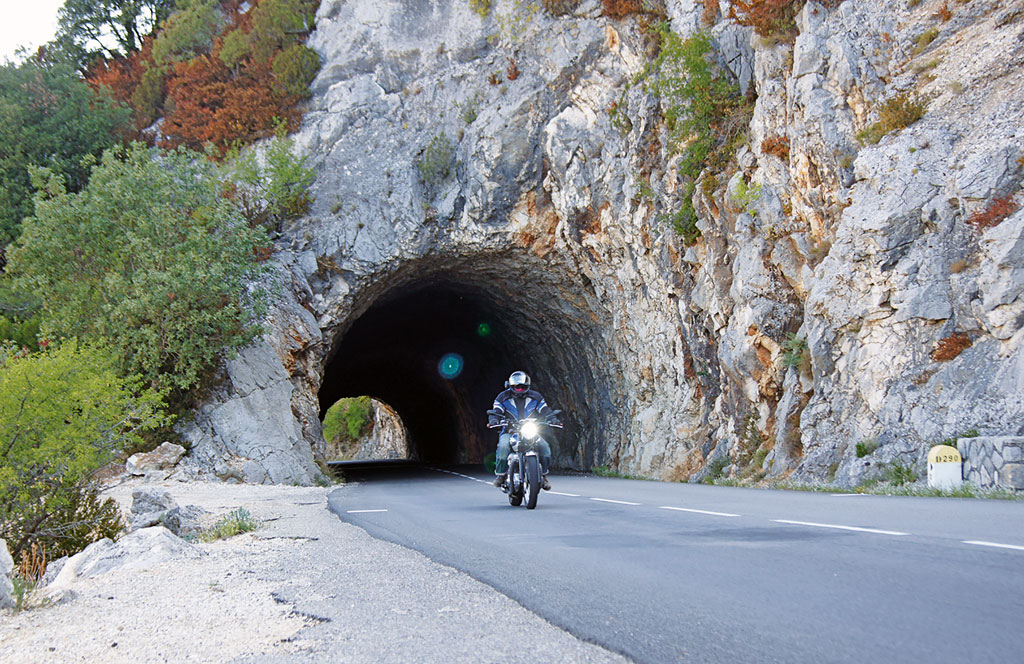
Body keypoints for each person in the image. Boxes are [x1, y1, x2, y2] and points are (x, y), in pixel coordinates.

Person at [488, 370, 559, 490]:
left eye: (523, 387)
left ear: (528, 386)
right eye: (517, 387)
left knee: (545, 447)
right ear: (511, 386)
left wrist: (553, 419)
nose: (519, 389)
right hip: (509, 431)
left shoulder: (536, 397)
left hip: (529, 429)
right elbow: (496, 411)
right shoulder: (502, 397)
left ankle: (543, 476)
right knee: (503, 446)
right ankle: (500, 475)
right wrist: (494, 420)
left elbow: (545, 409)